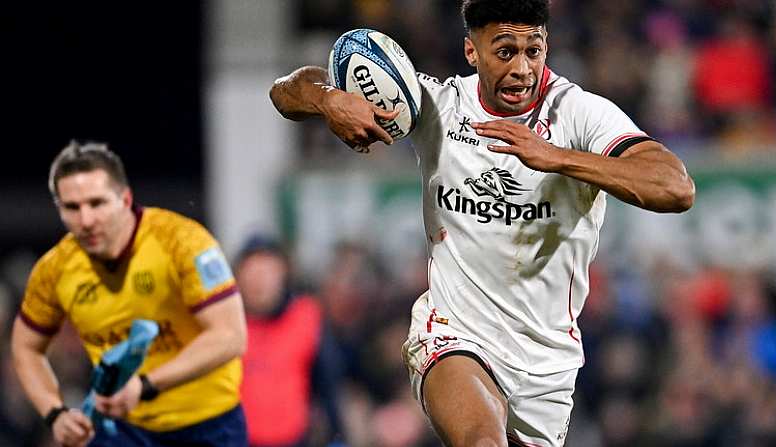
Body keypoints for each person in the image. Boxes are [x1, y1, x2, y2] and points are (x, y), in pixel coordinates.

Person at [269, 0, 696, 445]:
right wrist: (329, 99)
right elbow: (285, 90)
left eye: (534, 50)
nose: (523, 68)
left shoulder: (580, 114)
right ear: (472, 51)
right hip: (455, 334)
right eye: (505, 51)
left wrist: (559, 159)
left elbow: (675, 187)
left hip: (547, 365)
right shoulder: (439, 106)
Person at [10, 141, 248, 447]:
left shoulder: (183, 242)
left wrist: (145, 385)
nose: (86, 220)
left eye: (97, 203)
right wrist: (54, 414)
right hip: (122, 429)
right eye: (72, 207)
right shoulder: (54, 269)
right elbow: (25, 347)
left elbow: (230, 335)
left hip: (209, 424)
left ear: (125, 199)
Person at [234, 234, 346, 446]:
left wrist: (337, 437)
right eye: (251, 273)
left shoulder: (306, 317)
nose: (259, 282)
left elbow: (329, 387)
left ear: (283, 274)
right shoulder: (227, 324)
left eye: (267, 272)